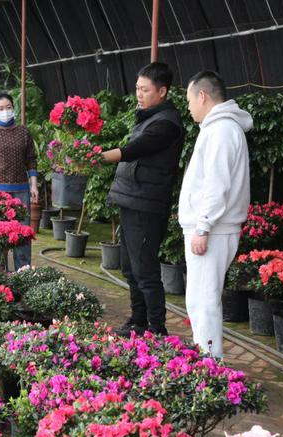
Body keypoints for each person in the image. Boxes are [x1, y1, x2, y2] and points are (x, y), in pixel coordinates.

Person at [101, 62, 185, 337]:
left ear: (162, 91)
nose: (139, 94)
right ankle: (138, 321)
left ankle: (156, 328)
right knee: (129, 267)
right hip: (132, 200)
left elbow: (137, 148)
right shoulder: (148, 117)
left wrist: (96, 157)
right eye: (137, 88)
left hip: (146, 205)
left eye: (145, 89)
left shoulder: (167, 124)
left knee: (145, 270)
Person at [180, 71, 252, 358]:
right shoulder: (217, 129)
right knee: (198, 298)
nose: (188, 107)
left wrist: (203, 227)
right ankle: (205, 357)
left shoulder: (221, 131)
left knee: (205, 299)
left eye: (189, 100)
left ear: (202, 96)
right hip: (212, 228)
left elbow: (216, 183)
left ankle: (210, 364)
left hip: (214, 229)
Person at [0, 91, 38, 270]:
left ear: (14, 109)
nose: (6, 111)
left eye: (9, 107)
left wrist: (33, 185)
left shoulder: (23, 132)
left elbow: (31, 159)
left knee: (23, 234)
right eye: (1, 108)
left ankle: (23, 272)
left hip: (21, 190)